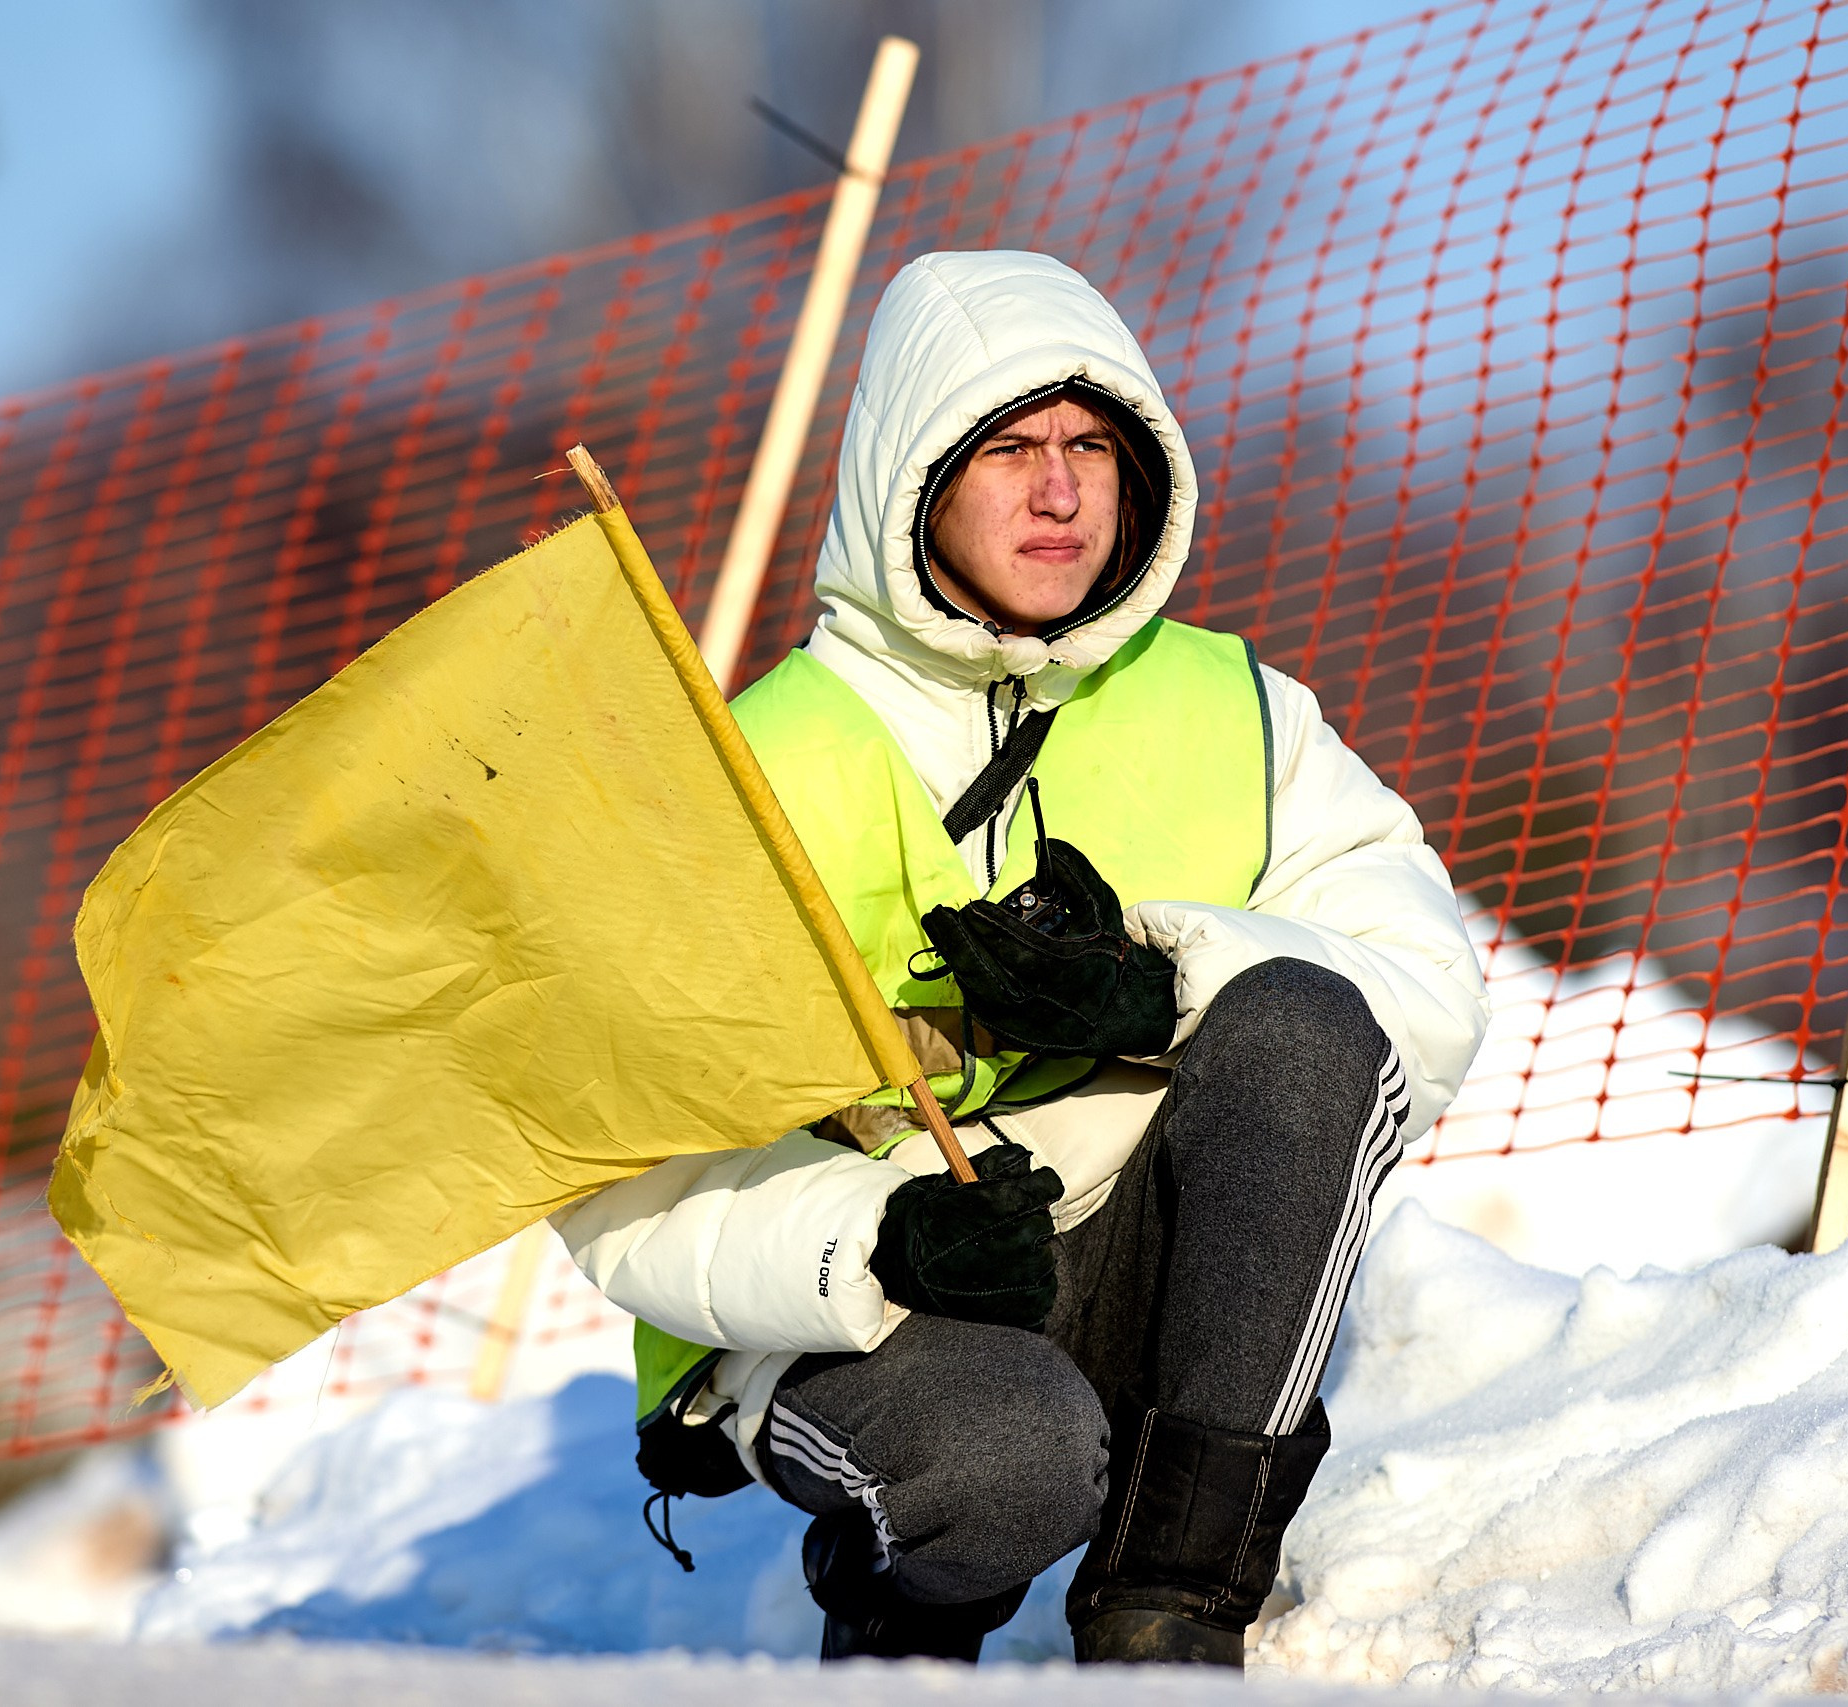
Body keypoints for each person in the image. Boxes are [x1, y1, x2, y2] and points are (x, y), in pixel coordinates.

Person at [556, 250, 1487, 1666]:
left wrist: (1169, 978)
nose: (1059, 492)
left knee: (1303, 1020)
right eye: (1007, 449)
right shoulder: (763, 766)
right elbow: (619, 1177)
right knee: (1006, 1461)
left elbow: (1424, 992)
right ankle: (895, 1614)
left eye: (1091, 448)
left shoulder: (1235, 708)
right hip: (870, 1309)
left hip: (1131, 1250)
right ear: (913, 479)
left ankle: (1169, 1611)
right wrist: (871, 1239)